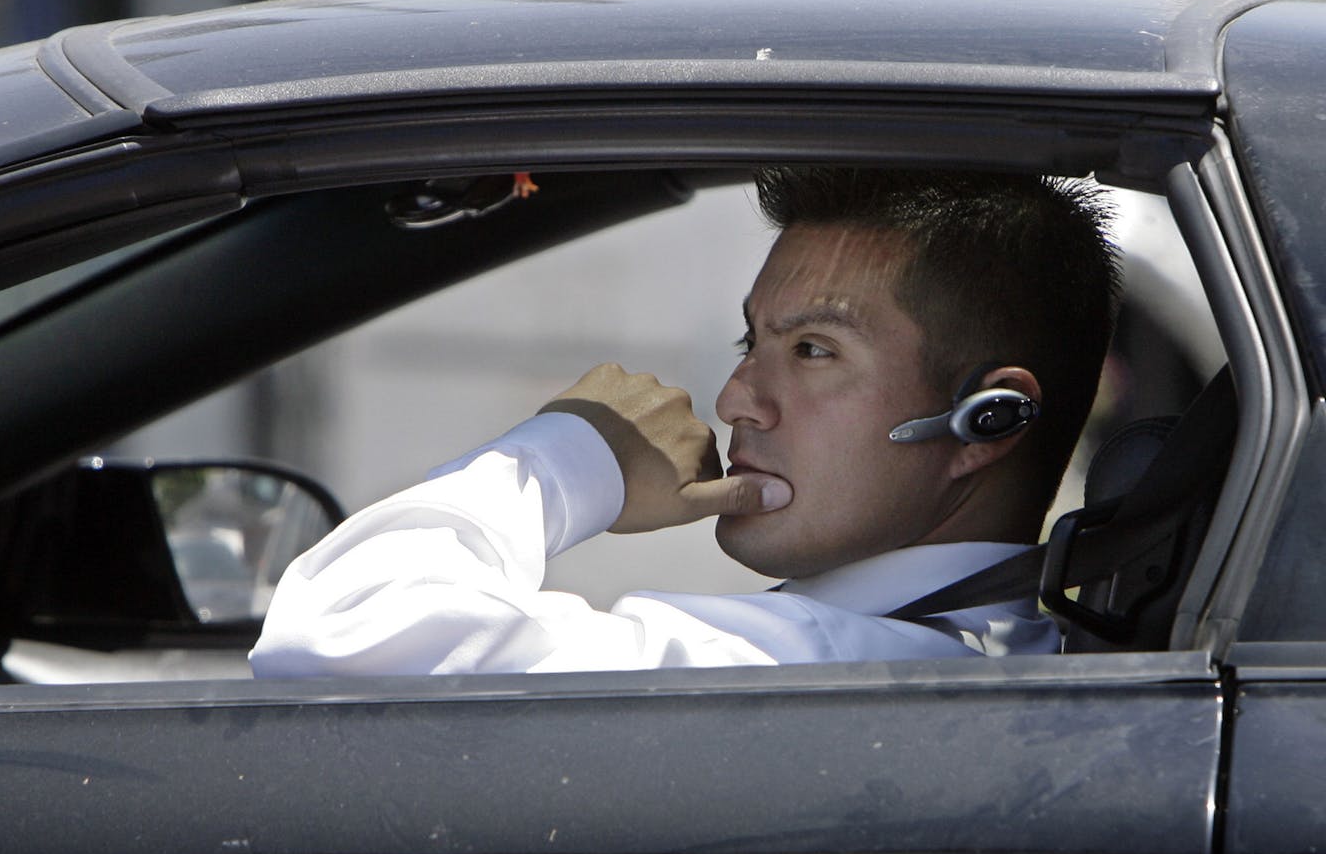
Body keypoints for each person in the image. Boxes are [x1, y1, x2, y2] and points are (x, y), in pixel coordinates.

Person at [250, 167, 1118, 676]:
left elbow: (341, 632)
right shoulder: (1011, 649)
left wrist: (569, 457)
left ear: (991, 422)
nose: (739, 398)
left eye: (814, 351)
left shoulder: (824, 666)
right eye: (753, 341)